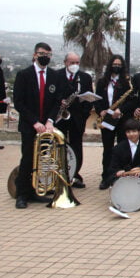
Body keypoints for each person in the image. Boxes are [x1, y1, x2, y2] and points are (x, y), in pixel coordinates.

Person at [13, 43, 62, 208]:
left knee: (42, 160)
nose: (45, 56)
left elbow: (57, 102)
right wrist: (35, 122)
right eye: (42, 53)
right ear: (35, 55)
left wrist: (50, 121)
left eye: (48, 54)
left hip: (47, 127)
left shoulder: (54, 76)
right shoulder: (23, 74)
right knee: (27, 159)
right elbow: (19, 102)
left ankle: (36, 191)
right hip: (30, 126)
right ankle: (22, 194)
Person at [95, 54, 133, 190]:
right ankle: (106, 177)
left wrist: (120, 110)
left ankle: (121, 176)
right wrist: (101, 111)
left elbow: (131, 101)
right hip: (107, 119)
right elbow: (97, 99)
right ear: (110, 65)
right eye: (114, 64)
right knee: (108, 149)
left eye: (119, 65)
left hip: (121, 119)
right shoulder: (102, 82)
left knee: (122, 148)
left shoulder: (127, 82)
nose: (116, 66)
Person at [55, 52, 93, 188]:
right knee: (60, 145)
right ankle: (60, 173)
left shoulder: (85, 77)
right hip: (61, 118)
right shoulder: (56, 75)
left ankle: (75, 174)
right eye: (72, 63)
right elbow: (52, 94)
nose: (75, 65)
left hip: (78, 118)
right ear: (65, 62)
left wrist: (84, 116)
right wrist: (60, 101)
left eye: (77, 63)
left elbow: (89, 99)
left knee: (77, 146)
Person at [105, 118, 140, 186]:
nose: (131, 134)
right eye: (128, 132)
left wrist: (139, 168)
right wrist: (118, 172)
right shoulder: (118, 148)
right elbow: (112, 166)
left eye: (134, 131)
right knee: (110, 179)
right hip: (125, 174)